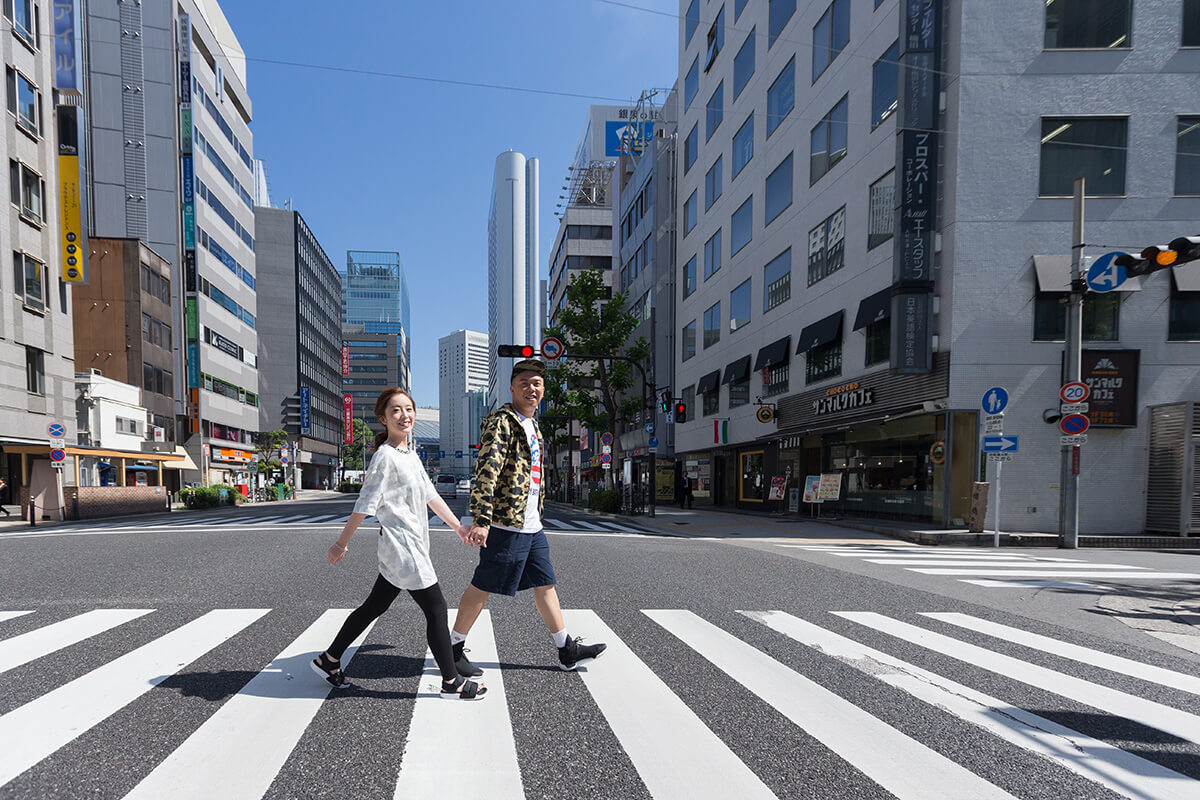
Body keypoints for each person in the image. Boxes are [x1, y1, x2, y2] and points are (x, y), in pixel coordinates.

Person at [313, 386, 486, 700]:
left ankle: (330, 658)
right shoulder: (385, 457)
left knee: (373, 607)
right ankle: (451, 682)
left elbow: (430, 495)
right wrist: (341, 544)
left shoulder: (409, 454)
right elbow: (364, 504)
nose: (404, 415)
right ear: (383, 418)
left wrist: (458, 527)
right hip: (403, 547)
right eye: (395, 410)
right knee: (436, 610)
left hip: (409, 546)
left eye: (408, 409)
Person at [451, 358, 606, 676]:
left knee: (545, 584)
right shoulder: (502, 421)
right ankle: (452, 649)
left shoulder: (534, 425)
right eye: (524, 383)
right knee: (483, 585)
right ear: (512, 388)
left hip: (531, 523)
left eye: (536, 383)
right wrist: (481, 518)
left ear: (543, 389)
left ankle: (566, 650)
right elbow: (487, 469)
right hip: (506, 523)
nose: (531, 388)